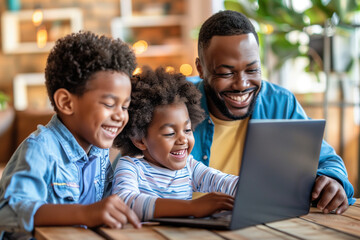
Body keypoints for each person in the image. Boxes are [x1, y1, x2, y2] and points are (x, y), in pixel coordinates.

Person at [189, 10, 355, 214]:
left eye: (252, 70)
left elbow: (326, 159)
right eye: (226, 73)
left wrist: (332, 180)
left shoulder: (280, 103)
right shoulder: (176, 104)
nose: (242, 84)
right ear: (200, 68)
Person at [0, 31, 141, 239]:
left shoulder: (100, 153)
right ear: (66, 103)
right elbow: (7, 213)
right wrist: (85, 214)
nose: (120, 116)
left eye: (125, 106)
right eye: (110, 104)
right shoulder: (41, 148)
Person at [112, 67, 238, 221]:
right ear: (139, 140)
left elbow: (224, 181)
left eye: (187, 130)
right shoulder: (130, 167)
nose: (183, 139)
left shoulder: (190, 168)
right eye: (170, 133)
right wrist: (192, 208)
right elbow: (126, 202)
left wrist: (253, 189)